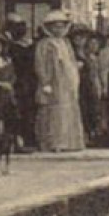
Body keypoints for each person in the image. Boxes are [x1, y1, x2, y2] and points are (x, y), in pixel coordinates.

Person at [33, 9, 85, 152]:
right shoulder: (45, 44)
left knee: (68, 108)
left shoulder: (65, 43)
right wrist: (45, 82)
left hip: (67, 80)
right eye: (55, 26)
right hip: (54, 80)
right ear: (49, 28)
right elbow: (40, 64)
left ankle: (69, 142)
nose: (59, 29)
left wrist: (75, 69)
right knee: (54, 110)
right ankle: (54, 143)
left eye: (62, 26)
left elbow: (71, 60)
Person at [3, 13, 37, 150]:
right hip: (16, 82)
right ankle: (15, 142)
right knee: (15, 112)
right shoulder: (8, 46)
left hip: (29, 82)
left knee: (28, 112)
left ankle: (27, 140)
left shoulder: (31, 45)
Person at [75, 28, 105, 145]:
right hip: (82, 82)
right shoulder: (80, 54)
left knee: (93, 108)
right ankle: (86, 135)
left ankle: (93, 134)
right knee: (85, 108)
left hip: (92, 82)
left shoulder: (93, 57)